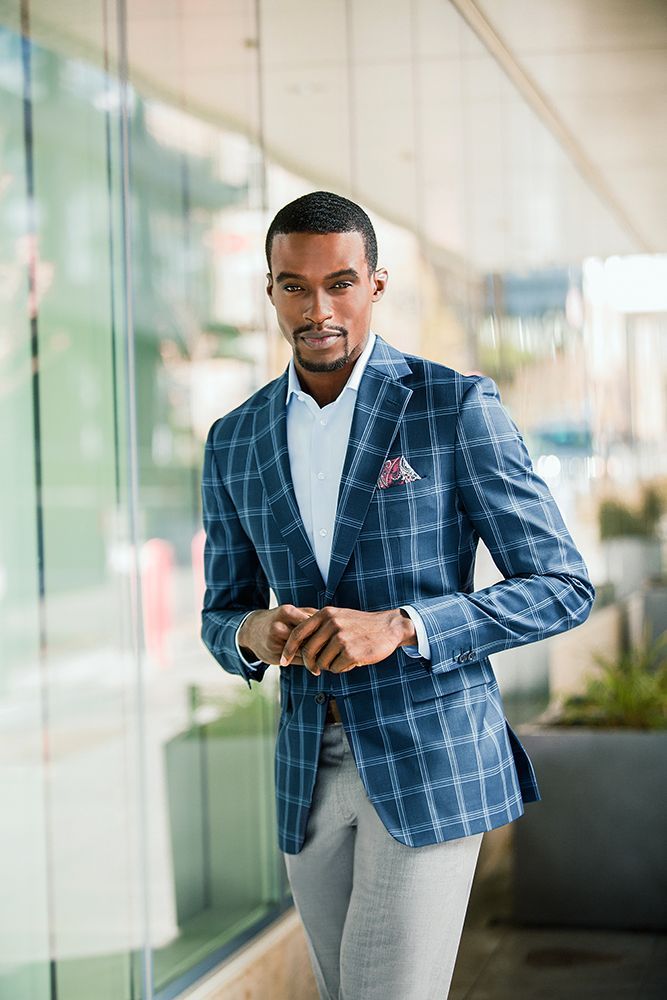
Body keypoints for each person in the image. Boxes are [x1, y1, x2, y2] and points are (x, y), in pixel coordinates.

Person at [200, 191, 595, 1000]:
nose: (319, 309)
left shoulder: (452, 406)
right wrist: (253, 633)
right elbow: (221, 610)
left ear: (375, 284)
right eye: (294, 287)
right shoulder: (233, 438)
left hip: (428, 760)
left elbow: (562, 587)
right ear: (269, 290)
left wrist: (404, 626)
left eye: (340, 283)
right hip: (306, 772)